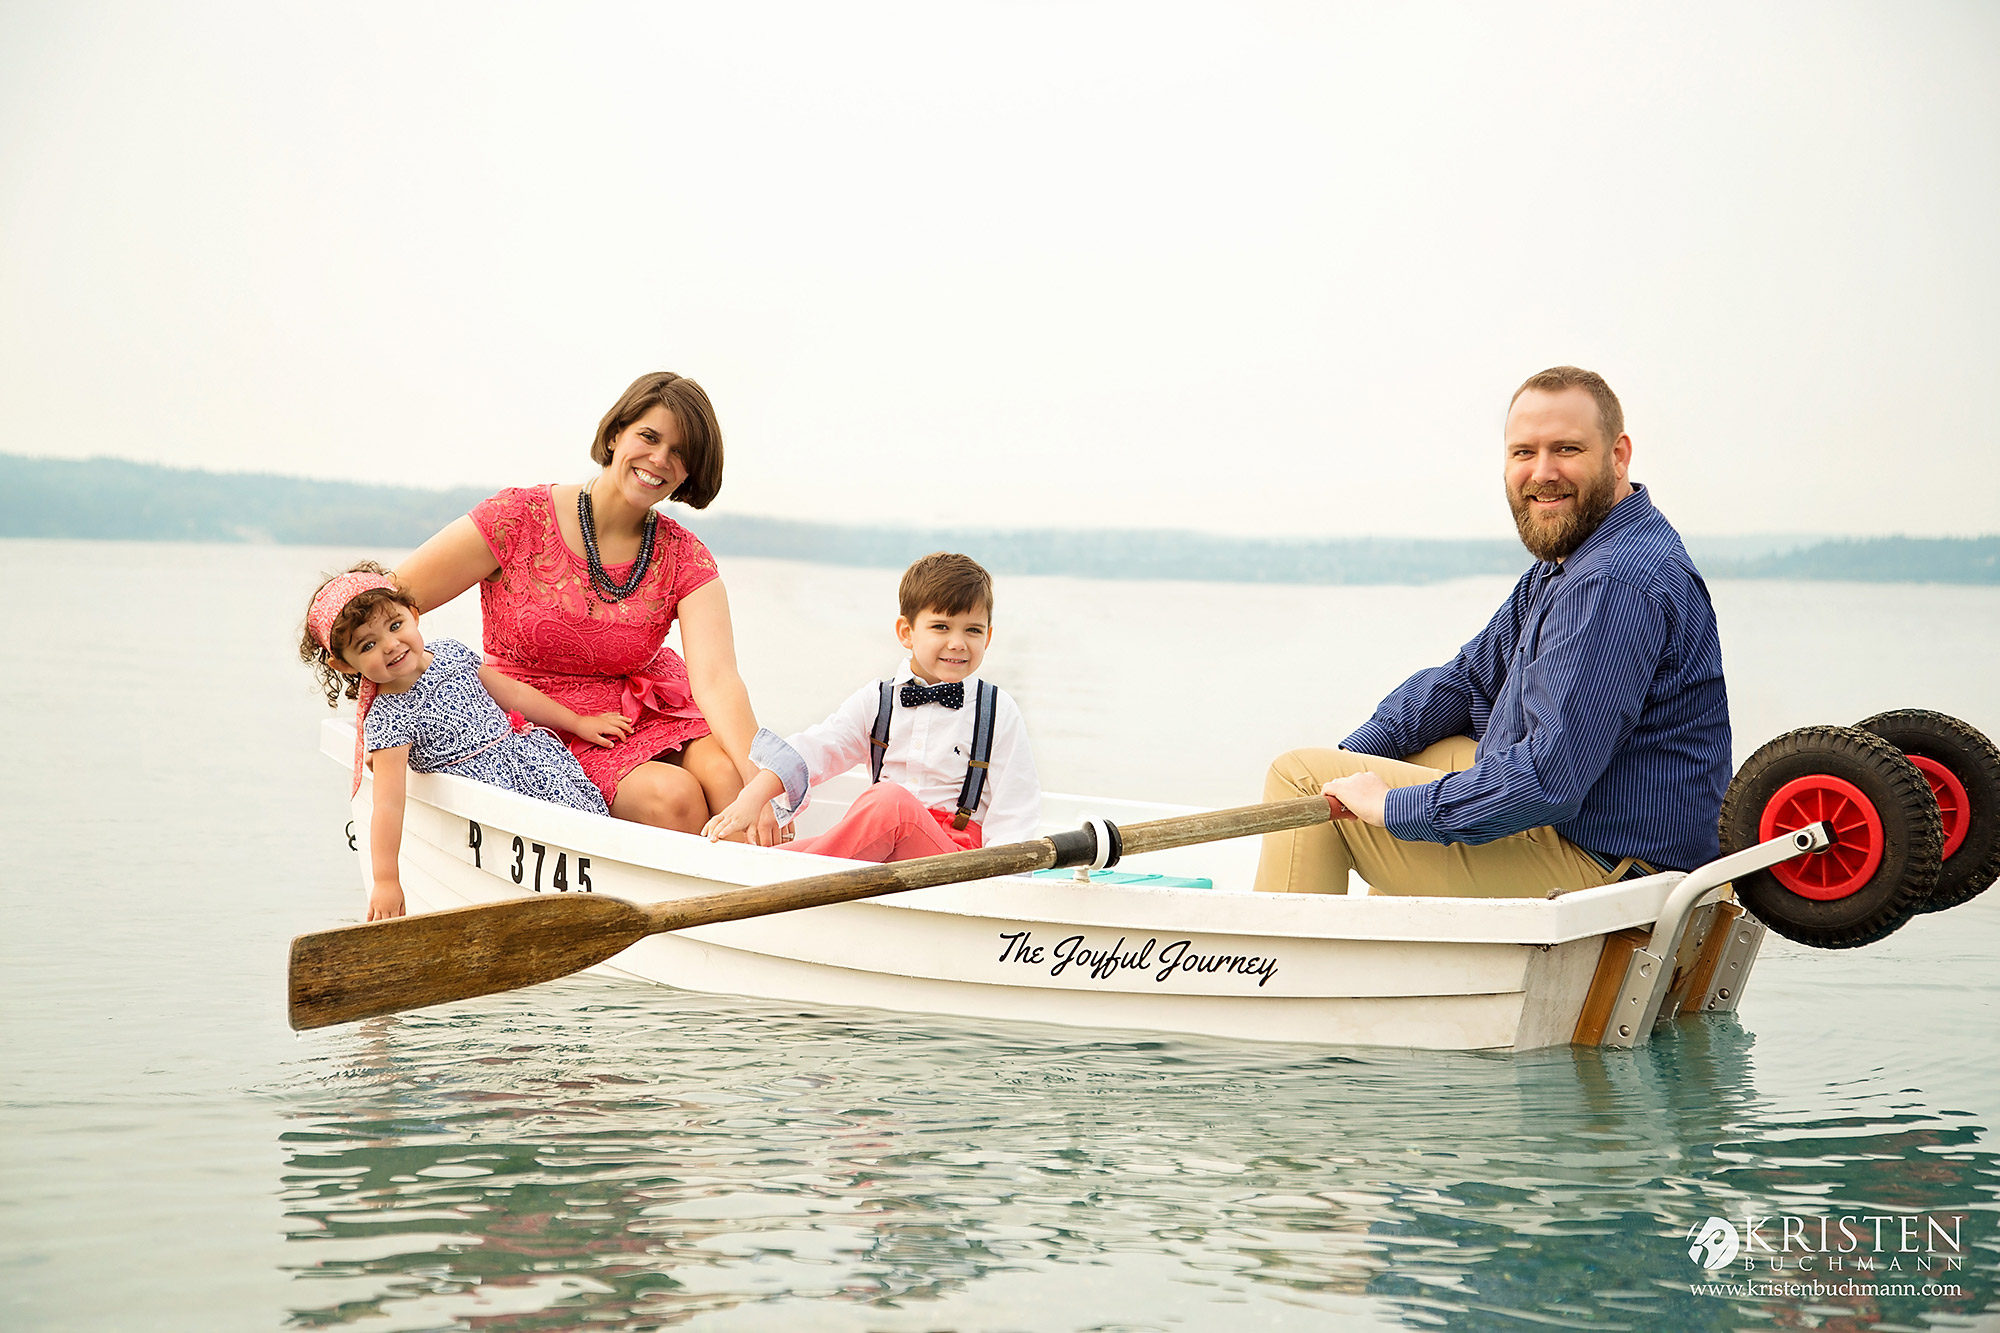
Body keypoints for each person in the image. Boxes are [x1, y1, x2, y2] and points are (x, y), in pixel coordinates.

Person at [1254, 365, 1731, 898]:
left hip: (1615, 869)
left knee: (1296, 776)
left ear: (1617, 456)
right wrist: (1353, 767)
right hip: (1594, 824)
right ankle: (1402, 964)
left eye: (1567, 450)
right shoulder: (1571, 563)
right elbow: (1465, 684)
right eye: (1524, 453)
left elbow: (1547, 779)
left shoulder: (1613, 584)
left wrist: (1390, 807)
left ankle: (1283, 980)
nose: (1542, 472)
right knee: (1389, 762)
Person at [393, 372, 776, 841]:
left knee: (730, 780)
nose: (659, 460)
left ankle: (767, 906)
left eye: (680, 453)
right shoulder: (518, 519)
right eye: (649, 437)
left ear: (690, 472)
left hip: (645, 708)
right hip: (538, 719)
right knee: (675, 797)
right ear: (616, 433)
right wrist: (405, 689)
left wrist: (762, 783)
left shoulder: (685, 555)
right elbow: (393, 602)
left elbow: (717, 679)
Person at [300, 563, 623, 920]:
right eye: (368, 645)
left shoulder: (451, 653)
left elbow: (512, 693)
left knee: (588, 829)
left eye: (395, 626)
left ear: (413, 614)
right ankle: (566, 908)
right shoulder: (389, 718)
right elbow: (388, 805)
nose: (391, 646)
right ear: (346, 665)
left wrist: (578, 722)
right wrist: (387, 880)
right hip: (487, 801)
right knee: (547, 840)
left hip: (533, 765)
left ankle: (611, 889)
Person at [701, 552, 1041, 861]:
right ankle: (767, 871)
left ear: (988, 638)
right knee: (871, 809)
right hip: (881, 845)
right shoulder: (878, 701)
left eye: (973, 631)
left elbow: (1015, 813)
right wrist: (753, 797)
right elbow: (818, 748)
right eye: (941, 627)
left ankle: (782, 874)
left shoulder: (997, 710)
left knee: (890, 802)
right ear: (906, 632)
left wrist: (1000, 887)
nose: (958, 643)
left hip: (949, 860)